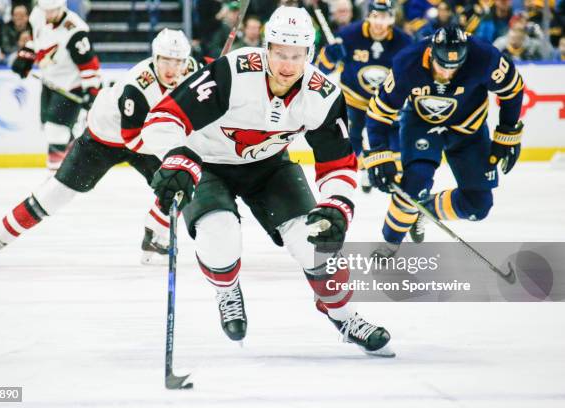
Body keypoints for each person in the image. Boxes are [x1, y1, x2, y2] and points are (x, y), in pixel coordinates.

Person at [140, 6, 394, 357]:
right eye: (279, 54)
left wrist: (338, 204)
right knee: (219, 235)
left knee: (318, 241)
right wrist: (176, 157)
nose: (287, 65)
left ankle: (344, 316)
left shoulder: (323, 95)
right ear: (266, 47)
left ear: (309, 53)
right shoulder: (232, 71)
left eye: (296, 56)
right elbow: (162, 119)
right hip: (208, 164)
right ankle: (227, 290)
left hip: (270, 167)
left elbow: (338, 163)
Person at [0, 29, 193, 266]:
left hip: (145, 137)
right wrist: (175, 152)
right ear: (154, 58)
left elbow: (212, 72)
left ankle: (155, 235)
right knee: (57, 194)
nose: (171, 68)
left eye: (178, 61)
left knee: (181, 181)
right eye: (166, 60)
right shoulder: (137, 85)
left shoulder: (191, 70)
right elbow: (132, 139)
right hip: (103, 140)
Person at [364, 25, 524, 255]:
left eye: (454, 68)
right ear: (431, 52)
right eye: (442, 66)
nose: (447, 74)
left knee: (478, 205)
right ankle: (390, 244)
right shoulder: (407, 62)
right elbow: (380, 111)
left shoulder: (485, 57)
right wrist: (379, 153)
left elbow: (512, 89)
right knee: (415, 184)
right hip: (421, 124)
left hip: (469, 129)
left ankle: (424, 209)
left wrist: (507, 133)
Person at [316, 0, 412, 193]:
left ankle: (393, 179)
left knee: (395, 140)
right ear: (368, 16)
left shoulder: (405, 42)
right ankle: (346, 177)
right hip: (354, 98)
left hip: (386, 102)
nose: (379, 23)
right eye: (376, 16)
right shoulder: (348, 34)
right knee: (350, 139)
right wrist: (329, 56)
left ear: (392, 18)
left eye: (384, 17)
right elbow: (320, 69)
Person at [11, 0, 101, 170]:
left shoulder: (75, 30)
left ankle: (57, 175)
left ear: (62, 7)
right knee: (48, 124)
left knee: (55, 129)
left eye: (53, 11)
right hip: (50, 82)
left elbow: (89, 64)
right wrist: (26, 56)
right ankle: (76, 156)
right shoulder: (38, 14)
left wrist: (92, 90)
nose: (49, 15)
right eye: (46, 10)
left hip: (70, 86)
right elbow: (35, 38)